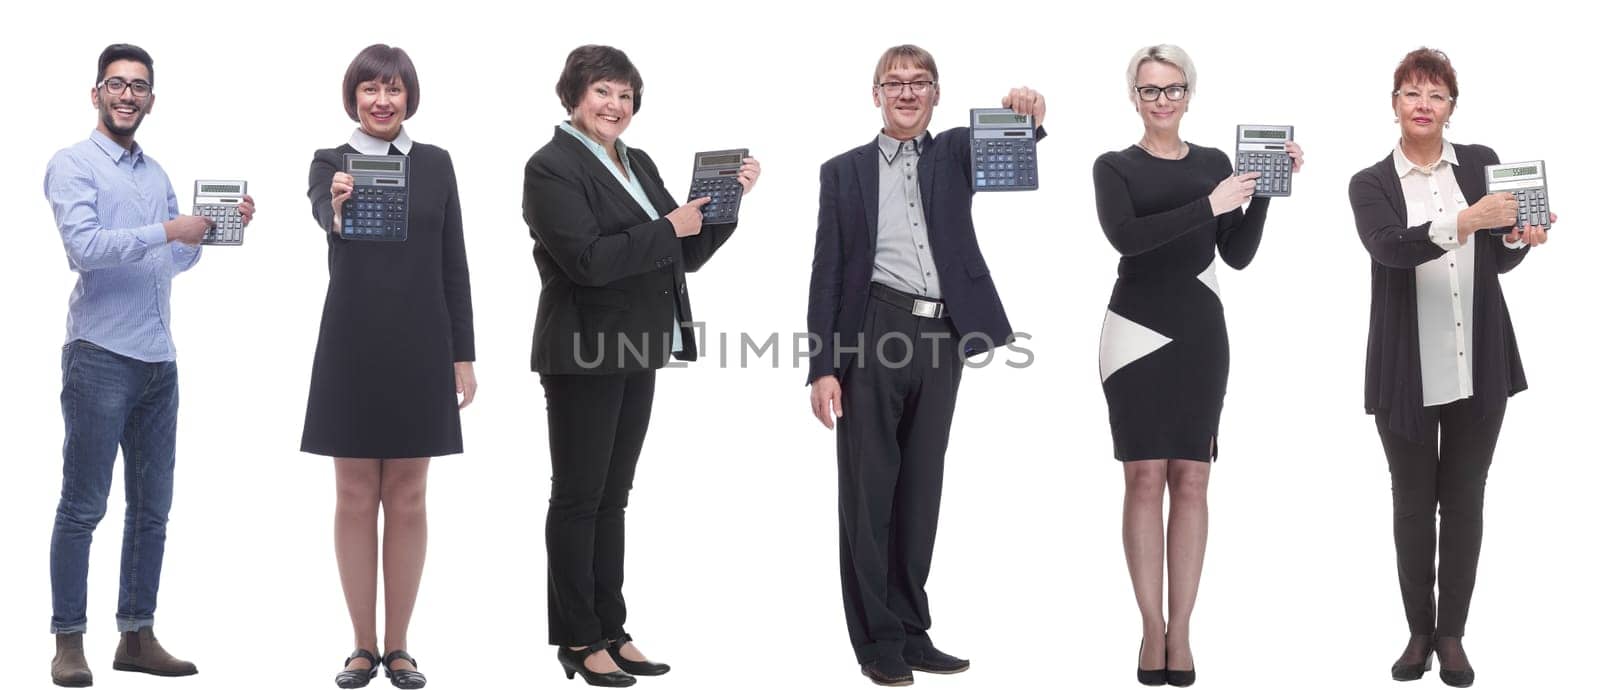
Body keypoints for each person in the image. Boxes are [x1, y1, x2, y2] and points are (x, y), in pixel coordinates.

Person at [805, 44, 1044, 687]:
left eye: (920, 83)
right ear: (875, 93)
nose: (907, 92)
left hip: (944, 333)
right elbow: (827, 273)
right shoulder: (843, 172)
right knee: (869, 488)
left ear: (936, 94)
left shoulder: (957, 153)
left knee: (920, 490)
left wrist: (1026, 112)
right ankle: (877, 639)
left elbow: (1017, 146)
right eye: (894, 82)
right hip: (873, 329)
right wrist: (823, 366)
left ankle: (913, 631)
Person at [522, 44, 760, 688]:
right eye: (602, 92)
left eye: (625, 96)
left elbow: (681, 253)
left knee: (614, 497)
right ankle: (577, 638)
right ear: (573, 95)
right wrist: (672, 225)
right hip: (582, 349)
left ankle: (611, 629)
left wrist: (724, 207)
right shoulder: (550, 167)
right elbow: (588, 261)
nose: (615, 106)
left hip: (638, 345)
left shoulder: (639, 161)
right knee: (578, 497)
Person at [43, 42, 256, 688]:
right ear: (97, 94)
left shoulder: (156, 174)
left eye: (138, 86)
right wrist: (169, 231)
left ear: (151, 99)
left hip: (159, 364)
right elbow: (86, 248)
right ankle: (68, 641)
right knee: (83, 506)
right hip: (100, 358)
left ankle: (135, 634)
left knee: (152, 509)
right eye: (117, 84)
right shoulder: (72, 165)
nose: (128, 95)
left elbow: (169, 263)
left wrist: (212, 231)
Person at [1091, 44, 1303, 687]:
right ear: (1134, 95)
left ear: (1189, 94)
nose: (1163, 101)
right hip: (1134, 330)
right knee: (1142, 479)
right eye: (1151, 90)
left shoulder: (1215, 163)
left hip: (1200, 329)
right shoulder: (1114, 166)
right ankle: (1148, 627)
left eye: (1174, 89)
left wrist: (1262, 192)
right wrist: (1208, 206)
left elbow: (1235, 255)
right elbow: (1127, 238)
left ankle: (1180, 632)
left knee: (1192, 478)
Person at [1348, 47, 1550, 689]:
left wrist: (1518, 239)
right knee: (1413, 504)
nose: (1423, 106)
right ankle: (1417, 633)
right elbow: (1388, 249)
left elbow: (1495, 259)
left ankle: (1453, 636)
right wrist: (1465, 220)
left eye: (1435, 96)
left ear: (1451, 107)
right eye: (1412, 94)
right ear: (1394, 105)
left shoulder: (1484, 165)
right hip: (1407, 369)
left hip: (1478, 362)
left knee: (1464, 503)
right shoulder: (1371, 183)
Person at [303, 43, 477, 690]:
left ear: (409, 97)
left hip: (423, 341)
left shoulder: (436, 164)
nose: (382, 100)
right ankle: (360, 647)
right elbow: (324, 215)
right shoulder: (331, 163)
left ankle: (399, 647)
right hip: (351, 340)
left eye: (394, 90)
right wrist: (339, 204)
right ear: (353, 96)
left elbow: (453, 261)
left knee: (407, 497)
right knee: (353, 495)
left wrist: (464, 352)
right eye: (370, 89)